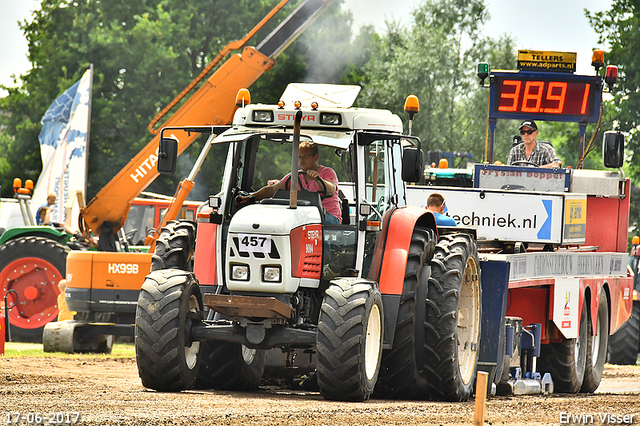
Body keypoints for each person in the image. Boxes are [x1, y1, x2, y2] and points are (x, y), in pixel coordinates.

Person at [236, 141, 342, 224]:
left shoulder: (327, 173)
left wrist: (318, 180)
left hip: (327, 216)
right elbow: (273, 189)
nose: (301, 160)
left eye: (305, 157)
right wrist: (251, 197)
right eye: (299, 157)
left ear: (316, 157)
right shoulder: (295, 176)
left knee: (312, 222)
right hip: (303, 216)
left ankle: (325, 252)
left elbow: (331, 189)